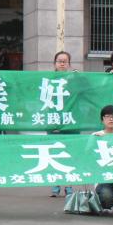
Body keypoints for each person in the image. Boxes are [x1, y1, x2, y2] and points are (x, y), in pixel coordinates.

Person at [50, 50, 74, 198]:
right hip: (53, 120)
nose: (62, 63)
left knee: (69, 153)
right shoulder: (48, 80)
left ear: (69, 64)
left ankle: (69, 185)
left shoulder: (74, 80)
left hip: (71, 121)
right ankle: (56, 183)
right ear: (55, 63)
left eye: (65, 61)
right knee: (54, 152)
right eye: (59, 61)